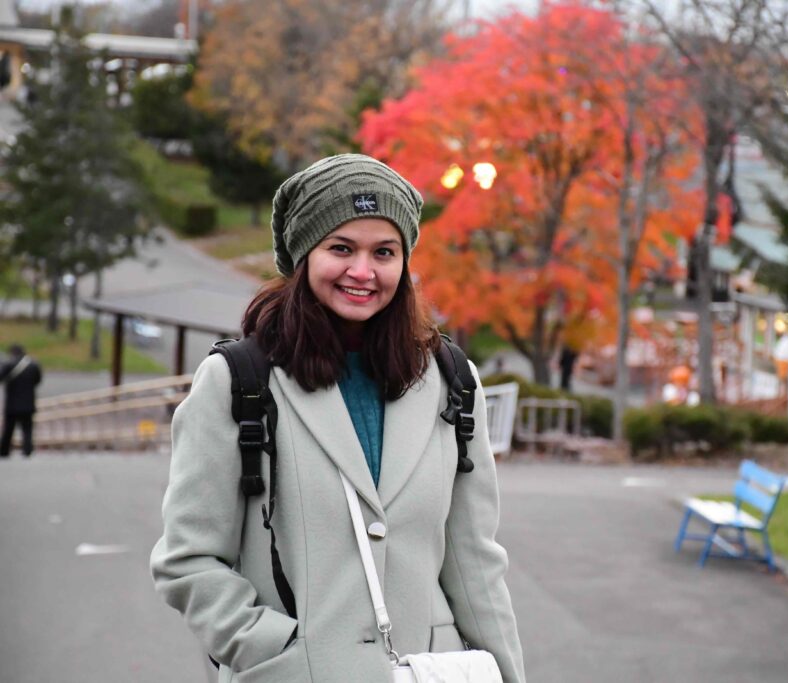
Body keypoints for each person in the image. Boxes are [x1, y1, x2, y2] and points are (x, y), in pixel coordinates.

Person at [150, 155, 525, 683]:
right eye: (341, 248)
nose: (363, 272)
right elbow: (187, 559)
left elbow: (474, 562)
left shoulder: (452, 381)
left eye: (384, 252)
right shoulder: (238, 380)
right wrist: (273, 653)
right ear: (305, 255)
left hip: (425, 671)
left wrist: (508, 674)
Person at [0, 344, 42, 457]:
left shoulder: (8, 365)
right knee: (27, 429)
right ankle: (27, 450)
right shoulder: (33, 365)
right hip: (28, 404)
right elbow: (38, 380)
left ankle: (4, 451)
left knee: (8, 430)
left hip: (12, 404)